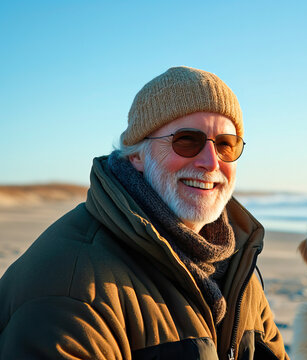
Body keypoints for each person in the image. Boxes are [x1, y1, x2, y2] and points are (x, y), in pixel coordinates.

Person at [0, 66, 289, 360]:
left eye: (227, 145)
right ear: (137, 154)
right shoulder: (72, 285)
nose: (211, 162)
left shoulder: (237, 267)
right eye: (187, 140)